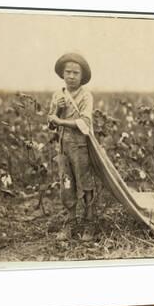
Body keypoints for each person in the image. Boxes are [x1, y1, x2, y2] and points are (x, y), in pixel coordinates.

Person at [47, 52, 96, 241]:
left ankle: (89, 223)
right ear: (62, 73)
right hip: (63, 146)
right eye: (68, 72)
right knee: (66, 184)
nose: (71, 76)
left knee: (85, 184)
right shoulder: (58, 95)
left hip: (81, 146)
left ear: (82, 76)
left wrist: (59, 120)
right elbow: (51, 123)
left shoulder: (86, 96)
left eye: (76, 73)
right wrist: (57, 110)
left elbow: (84, 122)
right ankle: (70, 224)